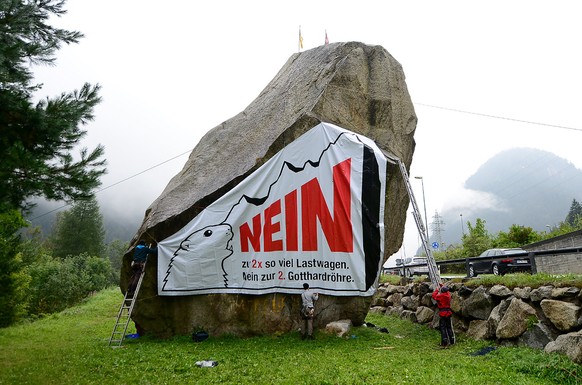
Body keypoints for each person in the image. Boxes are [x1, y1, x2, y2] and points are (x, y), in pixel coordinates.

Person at [432, 284, 455, 348]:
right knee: (449, 327)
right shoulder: (448, 295)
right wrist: (442, 285)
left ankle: (444, 342)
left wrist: (436, 290)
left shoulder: (441, 296)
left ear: (442, 291)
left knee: (443, 328)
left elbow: (434, 296)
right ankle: (452, 340)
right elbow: (447, 291)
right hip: (448, 313)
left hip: (443, 313)